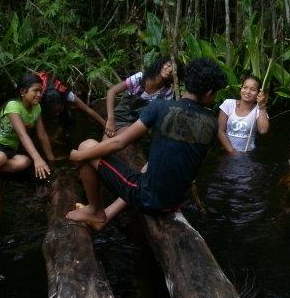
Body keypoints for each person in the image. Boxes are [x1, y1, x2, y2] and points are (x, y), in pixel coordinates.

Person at [65, 58, 227, 228]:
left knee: (86, 146)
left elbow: (119, 142)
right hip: (177, 201)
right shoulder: (212, 123)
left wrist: (78, 156)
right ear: (209, 92)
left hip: (149, 200)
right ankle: (107, 212)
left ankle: (95, 210)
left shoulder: (160, 106)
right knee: (153, 164)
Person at [104, 57, 180, 137]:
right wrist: (110, 120)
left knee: (118, 140)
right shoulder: (140, 77)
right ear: (161, 64)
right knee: (106, 142)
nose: (169, 69)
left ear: (175, 76)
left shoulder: (167, 93)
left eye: (173, 69)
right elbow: (112, 91)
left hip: (137, 126)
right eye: (168, 65)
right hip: (117, 118)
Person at [217, 75, 270, 153]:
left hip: (247, 153)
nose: (247, 91)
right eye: (245, 87)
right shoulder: (228, 104)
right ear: (241, 89)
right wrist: (232, 151)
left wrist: (261, 106)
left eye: (253, 89)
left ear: (258, 93)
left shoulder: (259, 110)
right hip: (227, 151)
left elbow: (263, 130)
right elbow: (220, 130)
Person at [37, 71, 106, 129]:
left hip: (56, 93)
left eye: (58, 111)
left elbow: (87, 109)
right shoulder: (38, 97)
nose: (57, 113)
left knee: (68, 118)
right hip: (43, 93)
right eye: (55, 111)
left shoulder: (66, 93)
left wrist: (105, 124)